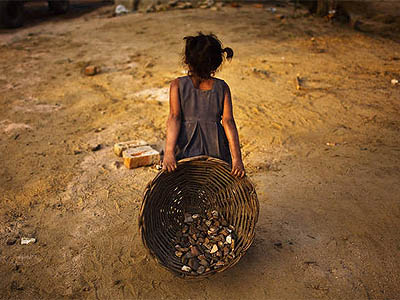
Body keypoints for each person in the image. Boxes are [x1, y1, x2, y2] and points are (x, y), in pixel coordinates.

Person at [162, 32, 245, 178]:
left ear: (187, 60)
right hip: (216, 150)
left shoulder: (177, 85)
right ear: (216, 63)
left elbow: (174, 118)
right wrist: (236, 159)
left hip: (186, 151)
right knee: (217, 185)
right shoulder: (222, 87)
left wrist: (169, 153)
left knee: (187, 183)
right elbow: (228, 122)